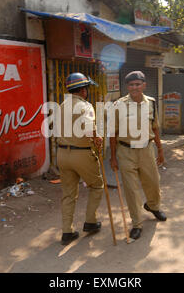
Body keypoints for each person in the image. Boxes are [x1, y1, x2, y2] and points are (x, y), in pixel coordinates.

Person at [109, 71, 166, 240]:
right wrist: (113, 157)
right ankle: (137, 224)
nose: (134, 87)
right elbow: (113, 133)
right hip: (126, 151)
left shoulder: (152, 103)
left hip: (147, 149)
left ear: (144, 85)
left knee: (153, 182)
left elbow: (155, 128)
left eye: (137, 84)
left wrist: (160, 150)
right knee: (131, 190)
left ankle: (153, 206)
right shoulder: (118, 105)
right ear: (127, 87)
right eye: (131, 85)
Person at [57, 72, 104, 245]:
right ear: (83, 90)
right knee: (97, 186)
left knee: (68, 194)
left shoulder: (61, 105)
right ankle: (91, 222)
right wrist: (98, 139)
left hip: (62, 154)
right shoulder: (85, 106)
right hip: (82, 154)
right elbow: (89, 129)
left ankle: (67, 232)